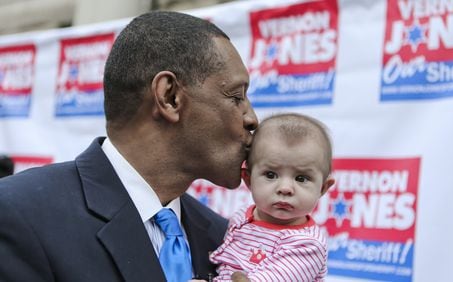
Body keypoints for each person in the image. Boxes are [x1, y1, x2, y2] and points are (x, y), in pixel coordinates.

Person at [0, 11, 258, 282]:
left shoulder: (224, 240)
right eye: (236, 96)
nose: (252, 118)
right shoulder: (21, 214)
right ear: (169, 97)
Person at [210, 113, 335, 281]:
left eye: (301, 178)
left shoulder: (307, 245)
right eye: (270, 175)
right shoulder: (242, 217)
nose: (285, 188)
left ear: (322, 188)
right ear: (248, 179)